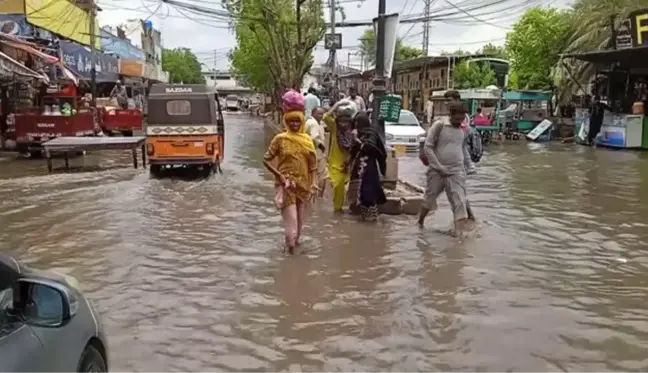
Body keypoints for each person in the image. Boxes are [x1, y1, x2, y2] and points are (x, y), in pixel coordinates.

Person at [263, 110, 318, 254]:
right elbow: (266, 159)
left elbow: (312, 166)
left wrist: (314, 184)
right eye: (291, 121)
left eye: (297, 121)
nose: (294, 124)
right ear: (286, 122)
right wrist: (278, 175)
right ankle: (290, 249)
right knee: (291, 224)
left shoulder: (307, 140)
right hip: (286, 184)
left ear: (302, 123)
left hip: (304, 186)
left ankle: (293, 255)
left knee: (300, 223)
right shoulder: (280, 139)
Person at [418, 103, 472, 235]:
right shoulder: (439, 126)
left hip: (456, 170)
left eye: (462, 119)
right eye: (457, 119)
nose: (460, 122)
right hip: (437, 171)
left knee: (459, 201)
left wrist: (469, 164)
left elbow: (463, 148)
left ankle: (460, 235)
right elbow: (428, 147)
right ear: (451, 116)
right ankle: (420, 222)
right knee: (430, 198)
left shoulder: (463, 129)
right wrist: (438, 166)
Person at [443, 90, 477, 219]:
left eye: (449, 100)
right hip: (455, 160)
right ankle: (469, 219)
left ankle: (464, 222)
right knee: (458, 191)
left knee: (456, 192)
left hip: (459, 161)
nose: (447, 103)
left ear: (457, 100)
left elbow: (460, 141)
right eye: (446, 100)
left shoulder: (460, 117)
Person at [350, 112, 387, 221]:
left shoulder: (372, 134)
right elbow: (353, 152)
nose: (356, 124)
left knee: (369, 192)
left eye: (357, 122)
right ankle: (364, 217)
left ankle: (372, 219)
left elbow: (370, 148)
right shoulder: (357, 134)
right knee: (359, 193)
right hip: (358, 168)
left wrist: (358, 140)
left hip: (369, 168)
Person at [322, 100, 358, 213]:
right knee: (337, 185)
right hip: (335, 164)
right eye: (341, 120)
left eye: (346, 121)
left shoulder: (353, 131)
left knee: (347, 188)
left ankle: (342, 208)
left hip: (349, 164)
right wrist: (337, 104)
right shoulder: (334, 127)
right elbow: (326, 117)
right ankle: (337, 209)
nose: (343, 123)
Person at [305, 107, 329, 196]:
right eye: (319, 114)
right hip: (316, 152)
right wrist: (322, 147)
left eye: (322, 114)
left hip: (310, 152)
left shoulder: (312, 122)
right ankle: (319, 197)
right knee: (323, 174)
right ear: (313, 113)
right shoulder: (313, 123)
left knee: (311, 174)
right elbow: (314, 137)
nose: (321, 116)